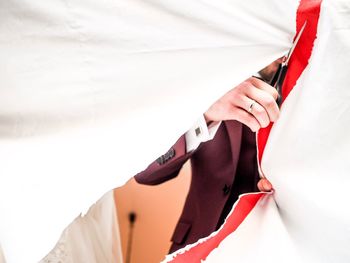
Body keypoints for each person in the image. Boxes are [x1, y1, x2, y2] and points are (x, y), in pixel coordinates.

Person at [134, 61, 280, 253]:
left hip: (274, 248)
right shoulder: (208, 76)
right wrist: (205, 115)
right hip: (197, 243)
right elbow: (146, 173)